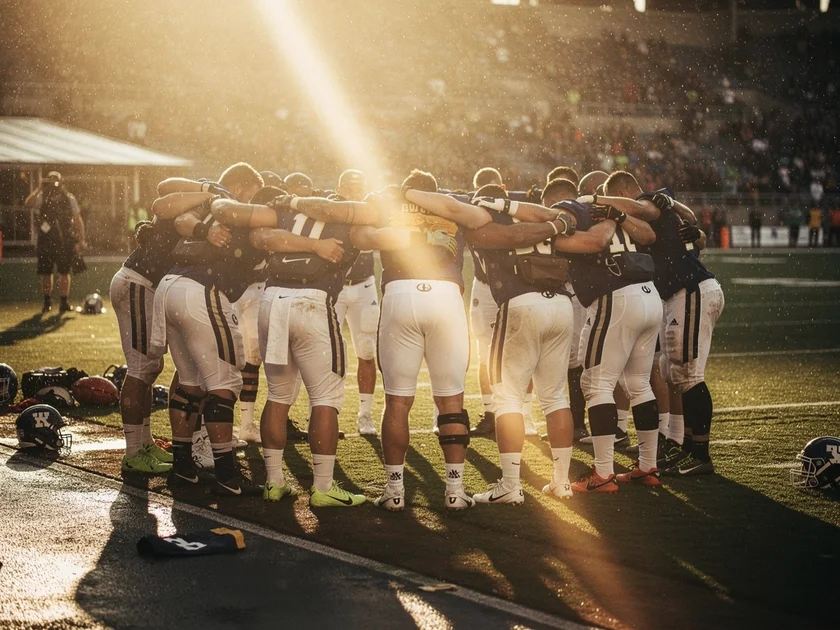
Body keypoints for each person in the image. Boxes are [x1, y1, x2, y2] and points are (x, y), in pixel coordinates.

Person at [411, 181, 619, 504]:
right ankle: (561, 482)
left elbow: (460, 213)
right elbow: (588, 240)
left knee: (507, 397)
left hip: (521, 302)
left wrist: (407, 193)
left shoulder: (487, 217)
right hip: (561, 304)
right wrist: (609, 218)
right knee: (555, 396)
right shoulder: (539, 217)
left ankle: (510, 484)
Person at [148, 163, 264, 496]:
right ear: (242, 187)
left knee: (190, 383)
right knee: (225, 384)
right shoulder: (229, 205)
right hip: (202, 289)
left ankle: (183, 467)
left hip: (170, 286)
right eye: (253, 190)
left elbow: (180, 219)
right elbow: (172, 208)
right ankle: (227, 476)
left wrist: (201, 228)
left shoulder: (205, 203)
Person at [599, 172, 724, 476]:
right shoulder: (661, 205)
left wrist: (595, 201)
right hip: (680, 292)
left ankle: (700, 455)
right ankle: (690, 447)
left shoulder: (646, 203)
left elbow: (647, 209)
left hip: (690, 288)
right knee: (674, 371)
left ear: (624, 191)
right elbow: (687, 218)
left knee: (688, 373)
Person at [331, 170, 380, 436]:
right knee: (328, 351)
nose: (353, 190)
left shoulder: (371, 210)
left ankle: (365, 414)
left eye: (358, 185)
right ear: (339, 187)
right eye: (348, 186)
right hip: (335, 287)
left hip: (363, 285)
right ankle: (328, 412)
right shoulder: (331, 208)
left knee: (367, 350)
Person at [25, 171, 87, 314]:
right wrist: (39, 187)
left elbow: (78, 219)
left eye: (56, 181)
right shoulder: (42, 197)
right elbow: (28, 204)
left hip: (64, 240)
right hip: (46, 240)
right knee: (46, 272)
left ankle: (64, 302)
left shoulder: (69, 198)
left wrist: (82, 239)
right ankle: (47, 301)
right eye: (50, 181)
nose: (54, 185)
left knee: (64, 272)